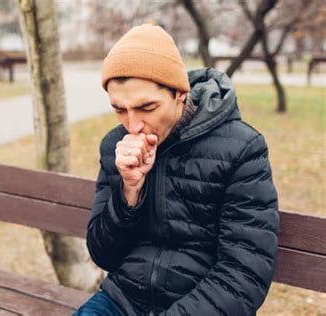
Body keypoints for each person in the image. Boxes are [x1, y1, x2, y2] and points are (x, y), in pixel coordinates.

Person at [73, 24, 279, 316]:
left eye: (146, 107)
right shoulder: (115, 146)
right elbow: (104, 255)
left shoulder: (241, 149)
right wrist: (128, 192)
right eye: (119, 109)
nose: (133, 125)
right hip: (123, 300)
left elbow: (243, 276)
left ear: (180, 94)